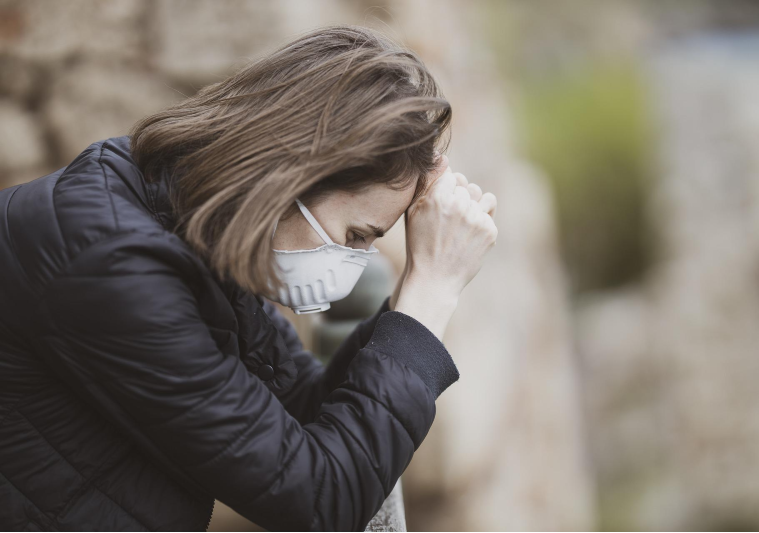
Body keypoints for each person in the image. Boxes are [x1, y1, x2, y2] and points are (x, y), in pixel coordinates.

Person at [0, 25, 497, 532]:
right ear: (294, 174)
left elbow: (305, 414)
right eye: (354, 235)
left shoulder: (182, 222)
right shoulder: (113, 263)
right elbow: (318, 501)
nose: (354, 262)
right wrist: (431, 293)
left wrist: (407, 304)